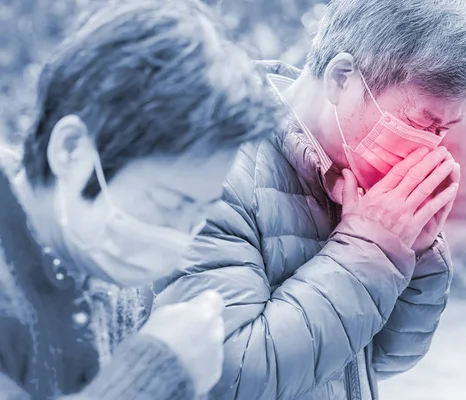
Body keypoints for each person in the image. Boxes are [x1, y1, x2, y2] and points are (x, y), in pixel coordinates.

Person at [154, 0, 466, 399]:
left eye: (443, 130)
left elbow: (386, 360)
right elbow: (229, 376)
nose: (430, 148)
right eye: (421, 123)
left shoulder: (362, 175)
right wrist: (369, 249)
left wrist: (412, 256)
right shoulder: (218, 166)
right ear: (341, 78)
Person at [0, 0, 279, 399]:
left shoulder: (99, 269)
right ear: (72, 149)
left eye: (199, 212)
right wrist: (156, 372)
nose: (178, 240)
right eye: (169, 204)